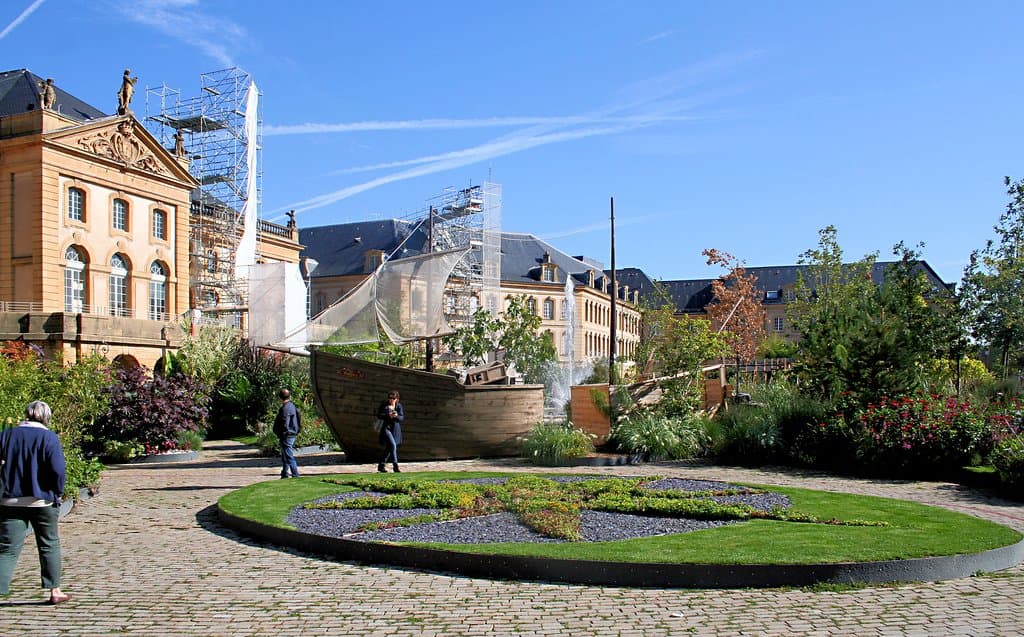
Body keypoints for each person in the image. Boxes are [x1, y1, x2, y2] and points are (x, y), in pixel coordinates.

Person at [0, 401, 71, 604]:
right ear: (46, 417)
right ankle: (54, 590)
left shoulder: (7, 435)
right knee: (49, 544)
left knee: (6, 548)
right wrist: (57, 492)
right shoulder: (48, 437)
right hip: (42, 500)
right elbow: (58, 470)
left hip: (10, 499)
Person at [272, 389, 301, 479]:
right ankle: (284, 473)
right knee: (285, 455)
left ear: (280, 398)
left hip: (287, 434)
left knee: (288, 456)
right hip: (291, 433)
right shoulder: (292, 406)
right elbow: (299, 418)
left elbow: (284, 422)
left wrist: (281, 432)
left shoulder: (285, 408)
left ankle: (295, 474)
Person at [376, 390, 404, 473]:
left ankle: (381, 465)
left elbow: (401, 418)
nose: (391, 399)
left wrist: (396, 416)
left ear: (397, 399)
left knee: (389, 448)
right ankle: (395, 466)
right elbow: (379, 415)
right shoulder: (384, 405)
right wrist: (388, 415)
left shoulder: (398, 406)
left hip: (395, 429)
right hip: (386, 428)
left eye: (393, 398)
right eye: (390, 398)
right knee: (393, 445)